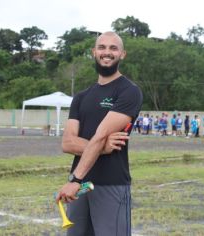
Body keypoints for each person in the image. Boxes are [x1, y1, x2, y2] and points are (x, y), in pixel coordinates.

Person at [56, 32, 143, 236]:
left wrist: (75, 180)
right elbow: (67, 143)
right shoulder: (81, 97)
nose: (107, 52)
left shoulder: (129, 91)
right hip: (81, 187)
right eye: (102, 47)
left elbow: (101, 133)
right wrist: (102, 148)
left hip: (110, 182)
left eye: (113, 48)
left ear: (122, 54)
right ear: (94, 52)